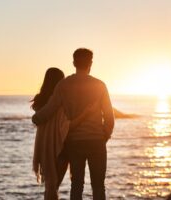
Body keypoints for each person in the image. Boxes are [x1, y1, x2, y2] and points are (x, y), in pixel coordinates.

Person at [32, 48, 115, 200]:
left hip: (74, 142)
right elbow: (109, 117)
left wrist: (36, 118)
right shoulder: (100, 85)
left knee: (77, 185)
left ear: (73, 63)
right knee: (98, 186)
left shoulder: (63, 85)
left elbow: (50, 109)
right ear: (90, 63)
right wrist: (104, 136)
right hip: (97, 141)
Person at [32, 67, 97, 200]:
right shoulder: (60, 103)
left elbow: (38, 120)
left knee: (50, 186)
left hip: (45, 148)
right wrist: (86, 114)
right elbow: (67, 126)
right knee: (54, 186)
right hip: (59, 148)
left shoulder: (40, 101)